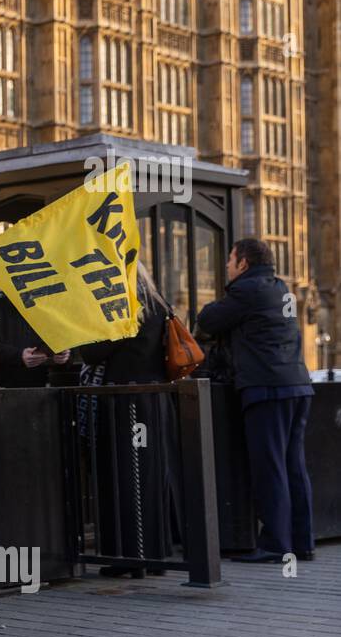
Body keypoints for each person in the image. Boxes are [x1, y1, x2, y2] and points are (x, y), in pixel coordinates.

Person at [197, 238, 313, 563]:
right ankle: (302, 542)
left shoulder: (247, 290)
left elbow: (207, 320)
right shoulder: (280, 287)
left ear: (243, 263)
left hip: (267, 388)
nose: (228, 267)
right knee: (294, 466)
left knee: (270, 466)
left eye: (230, 261)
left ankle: (276, 544)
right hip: (298, 385)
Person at [79, 265, 180, 577]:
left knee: (122, 476)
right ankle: (155, 554)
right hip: (155, 402)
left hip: (124, 404)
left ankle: (127, 557)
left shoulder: (121, 304)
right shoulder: (157, 302)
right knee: (150, 478)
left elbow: (92, 353)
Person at [0, 290, 71, 388]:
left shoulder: (45, 303)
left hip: (34, 384)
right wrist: (18, 355)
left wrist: (61, 355)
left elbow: (55, 338)